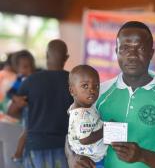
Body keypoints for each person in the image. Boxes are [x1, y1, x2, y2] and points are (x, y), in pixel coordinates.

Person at [66, 21, 155, 168]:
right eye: (124, 48)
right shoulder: (97, 93)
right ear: (116, 51)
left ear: (151, 53)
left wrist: (142, 155)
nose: (132, 55)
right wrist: (72, 158)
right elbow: (71, 134)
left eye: (140, 48)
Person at [9, 39, 73, 168]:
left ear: (46, 55)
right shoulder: (75, 81)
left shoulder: (31, 81)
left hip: (35, 147)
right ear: (66, 57)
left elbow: (12, 111)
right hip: (67, 149)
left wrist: (28, 117)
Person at [68, 65, 107, 168]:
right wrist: (105, 130)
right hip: (90, 162)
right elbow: (84, 139)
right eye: (85, 86)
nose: (92, 90)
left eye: (96, 86)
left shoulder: (85, 108)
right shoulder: (81, 115)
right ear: (72, 91)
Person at [5, 50, 36, 163]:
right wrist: (15, 98)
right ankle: (18, 153)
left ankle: (23, 154)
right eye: (25, 67)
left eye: (31, 66)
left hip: (32, 110)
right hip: (25, 110)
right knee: (26, 131)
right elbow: (10, 93)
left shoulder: (34, 77)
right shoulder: (20, 79)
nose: (29, 70)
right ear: (17, 69)